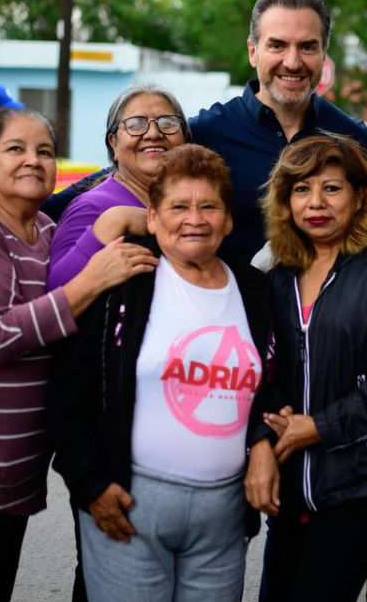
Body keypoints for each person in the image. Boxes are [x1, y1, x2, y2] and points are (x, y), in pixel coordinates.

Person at [0, 107, 157, 602]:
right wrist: (89, 282)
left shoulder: (43, 229)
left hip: (14, 469)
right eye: (15, 149)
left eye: (44, 151)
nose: (33, 161)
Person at [51, 144, 271, 602]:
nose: (195, 218)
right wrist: (90, 486)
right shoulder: (124, 280)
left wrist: (262, 443)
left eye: (209, 205)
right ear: (151, 218)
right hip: (129, 506)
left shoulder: (255, 291)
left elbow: (273, 385)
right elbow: (68, 389)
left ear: (229, 220)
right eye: (178, 206)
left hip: (223, 518)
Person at [245, 133, 367, 602]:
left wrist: (320, 427)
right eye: (301, 189)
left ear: (360, 195)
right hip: (290, 483)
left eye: (332, 188)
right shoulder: (279, 270)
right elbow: (259, 369)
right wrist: (265, 443)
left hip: (360, 484)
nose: (316, 202)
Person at [191, 0, 367, 263]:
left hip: (330, 305)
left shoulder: (353, 139)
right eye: (277, 45)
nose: (292, 62)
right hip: (231, 304)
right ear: (252, 51)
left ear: (323, 53)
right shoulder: (205, 134)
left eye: (307, 47)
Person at [45, 84, 190, 289]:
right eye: (136, 124)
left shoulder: (191, 203)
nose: (154, 133)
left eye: (167, 122)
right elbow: (57, 290)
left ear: (184, 138)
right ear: (113, 143)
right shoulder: (92, 208)